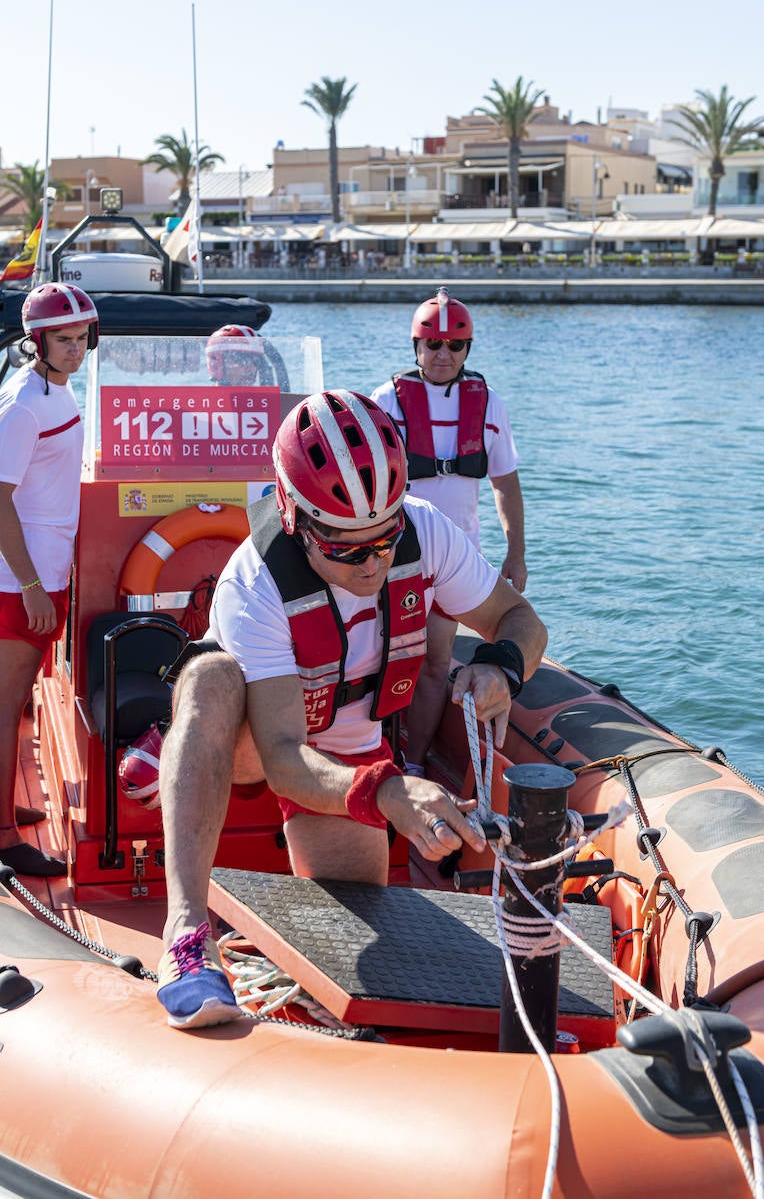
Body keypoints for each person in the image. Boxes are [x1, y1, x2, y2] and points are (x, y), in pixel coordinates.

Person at [155, 390, 547, 1030]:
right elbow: (282, 757)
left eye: (385, 540)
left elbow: (521, 619)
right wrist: (387, 793)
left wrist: (503, 664)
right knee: (211, 678)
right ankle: (186, 932)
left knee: (358, 936)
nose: (374, 563)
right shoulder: (254, 582)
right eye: (346, 548)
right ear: (294, 519)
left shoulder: (425, 529)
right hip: (264, 738)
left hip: (353, 749)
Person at [0, 283, 99, 878]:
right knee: (8, 696)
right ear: (37, 342)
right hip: (19, 577)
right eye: (64, 340)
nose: (76, 350)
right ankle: (1, 832)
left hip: (43, 567)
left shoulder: (56, 392)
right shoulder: (22, 402)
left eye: (82, 338)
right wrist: (31, 586)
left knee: (13, 696)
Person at [371, 288, 527, 592]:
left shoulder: (489, 403)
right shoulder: (385, 401)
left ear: (467, 348)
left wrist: (516, 555)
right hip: (400, 550)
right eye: (433, 344)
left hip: (462, 552)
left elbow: (505, 484)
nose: (444, 355)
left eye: (455, 345)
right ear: (417, 345)